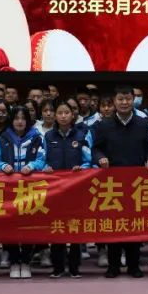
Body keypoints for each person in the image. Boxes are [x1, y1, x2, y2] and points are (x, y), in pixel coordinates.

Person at [90, 85, 148, 279]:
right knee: (114, 225)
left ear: (133, 101)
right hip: (113, 184)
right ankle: (113, 266)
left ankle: (134, 266)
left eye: (128, 99)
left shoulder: (143, 124)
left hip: (136, 184)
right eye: (120, 99)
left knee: (134, 225)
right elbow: (96, 149)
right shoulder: (104, 125)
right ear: (114, 102)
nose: (124, 103)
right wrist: (100, 158)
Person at [0, 105, 45, 279]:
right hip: (9, 189)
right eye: (16, 118)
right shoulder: (3, 138)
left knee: (29, 224)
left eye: (23, 118)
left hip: (30, 188)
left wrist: (33, 166)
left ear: (28, 120)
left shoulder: (37, 137)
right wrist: (3, 166)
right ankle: (14, 261)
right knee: (10, 224)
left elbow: (43, 159)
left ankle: (26, 261)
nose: (20, 122)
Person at [43, 100, 92, 278]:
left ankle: (74, 267)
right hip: (55, 189)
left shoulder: (82, 135)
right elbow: (42, 159)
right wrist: (45, 167)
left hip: (76, 188)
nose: (63, 116)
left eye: (66, 113)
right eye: (60, 113)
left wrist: (82, 168)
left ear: (73, 115)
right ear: (55, 116)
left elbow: (89, 160)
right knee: (57, 227)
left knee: (74, 227)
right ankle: (57, 267)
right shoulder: (48, 136)